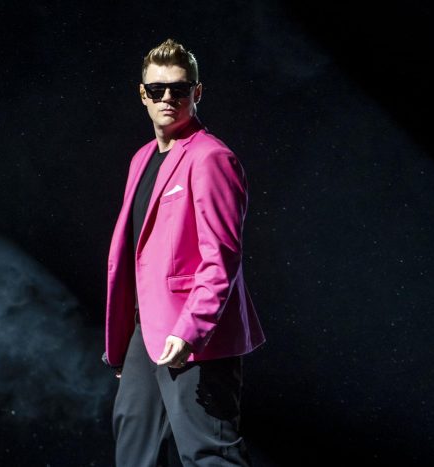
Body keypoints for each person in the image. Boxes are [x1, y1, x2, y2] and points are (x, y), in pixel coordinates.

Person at [103, 38, 265, 466]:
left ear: (197, 91)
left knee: (209, 453)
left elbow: (222, 257)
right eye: (157, 89)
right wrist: (125, 339)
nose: (168, 98)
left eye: (179, 88)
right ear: (143, 94)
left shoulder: (212, 158)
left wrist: (190, 330)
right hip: (146, 331)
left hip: (194, 334)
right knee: (133, 449)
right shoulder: (141, 159)